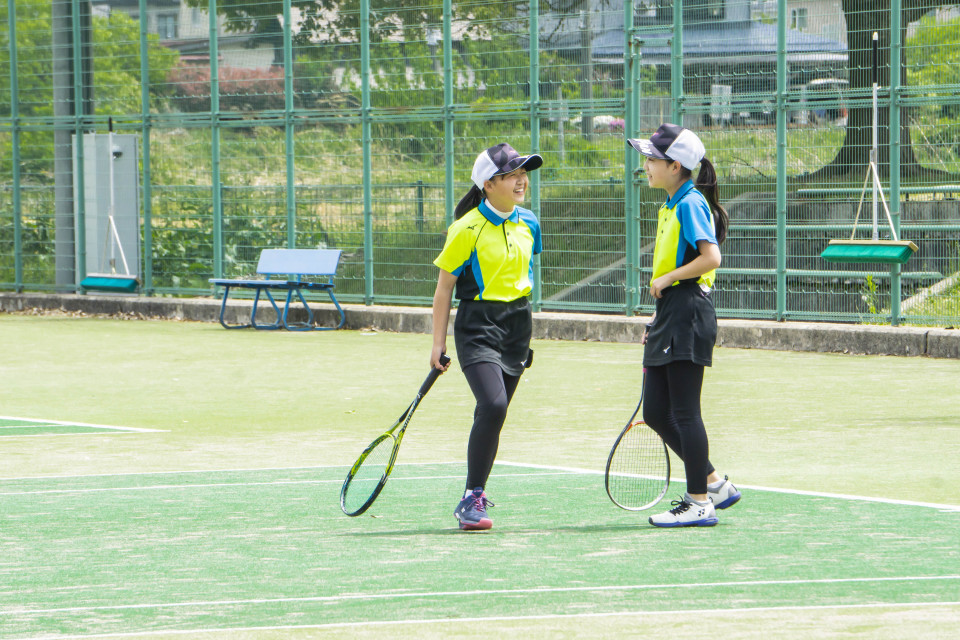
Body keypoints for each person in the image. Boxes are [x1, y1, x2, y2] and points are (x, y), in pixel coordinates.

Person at [626, 123, 741, 528]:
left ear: (675, 166)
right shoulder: (672, 205)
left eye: (652, 159)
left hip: (689, 311)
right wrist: (659, 313)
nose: (646, 165)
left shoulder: (690, 203)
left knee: (686, 412)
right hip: (672, 312)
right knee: (658, 412)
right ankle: (714, 484)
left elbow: (711, 258)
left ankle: (699, 502)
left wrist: (668, 279)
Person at [430, 142, 543, 531]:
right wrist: (438, 343)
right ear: (488, 184)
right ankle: (471, 497)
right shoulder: (465, 229)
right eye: (512, 175)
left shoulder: (530, 223)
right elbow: (444, 288)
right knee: (493, 405)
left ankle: (473, 496)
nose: (521, 181)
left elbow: (523, 274)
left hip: (518, 325)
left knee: (495, 412)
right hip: (477, 326)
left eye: (523, 173)